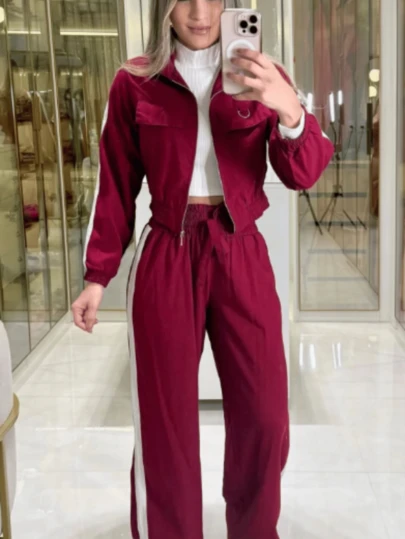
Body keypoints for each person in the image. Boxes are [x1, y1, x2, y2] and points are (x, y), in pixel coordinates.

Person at [71, 1, 334, 538]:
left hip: (241, 248)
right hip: (167, 250)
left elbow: (303, 173)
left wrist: (290, 110)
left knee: (265, 415)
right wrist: (98, 275)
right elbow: (115, 183)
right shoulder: (134, 82)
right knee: (164, 423)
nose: (199, 12)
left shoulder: (261, 71)